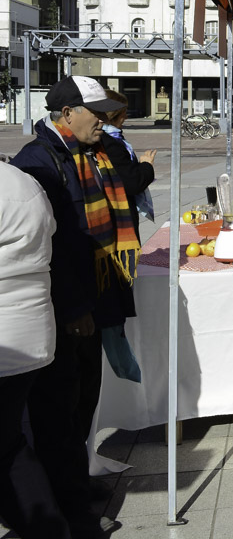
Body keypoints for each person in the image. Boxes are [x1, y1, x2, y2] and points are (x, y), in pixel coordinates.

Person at [11, 75, 135, 539]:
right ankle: (69, 510)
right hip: (63, 311)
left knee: (83, 402)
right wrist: (73, 307)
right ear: (67, 115)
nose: (103, 122)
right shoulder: (38, 162)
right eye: (95, 113)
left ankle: (76, 486)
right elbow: (52, 247)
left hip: (92, 301)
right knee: (56, 414)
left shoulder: (89, 154)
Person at [0, 162, 70, 539]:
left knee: (7, 447)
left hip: (8, 336)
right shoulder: (22, 181)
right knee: (8, 443)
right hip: (30, 332)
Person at [99, 89, 156, 240]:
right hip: (118, 215)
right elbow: (132, 182)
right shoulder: (110, 142)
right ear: (113, 115)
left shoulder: (111, 138)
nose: (126, 116)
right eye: (123, 112)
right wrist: (146, 165)